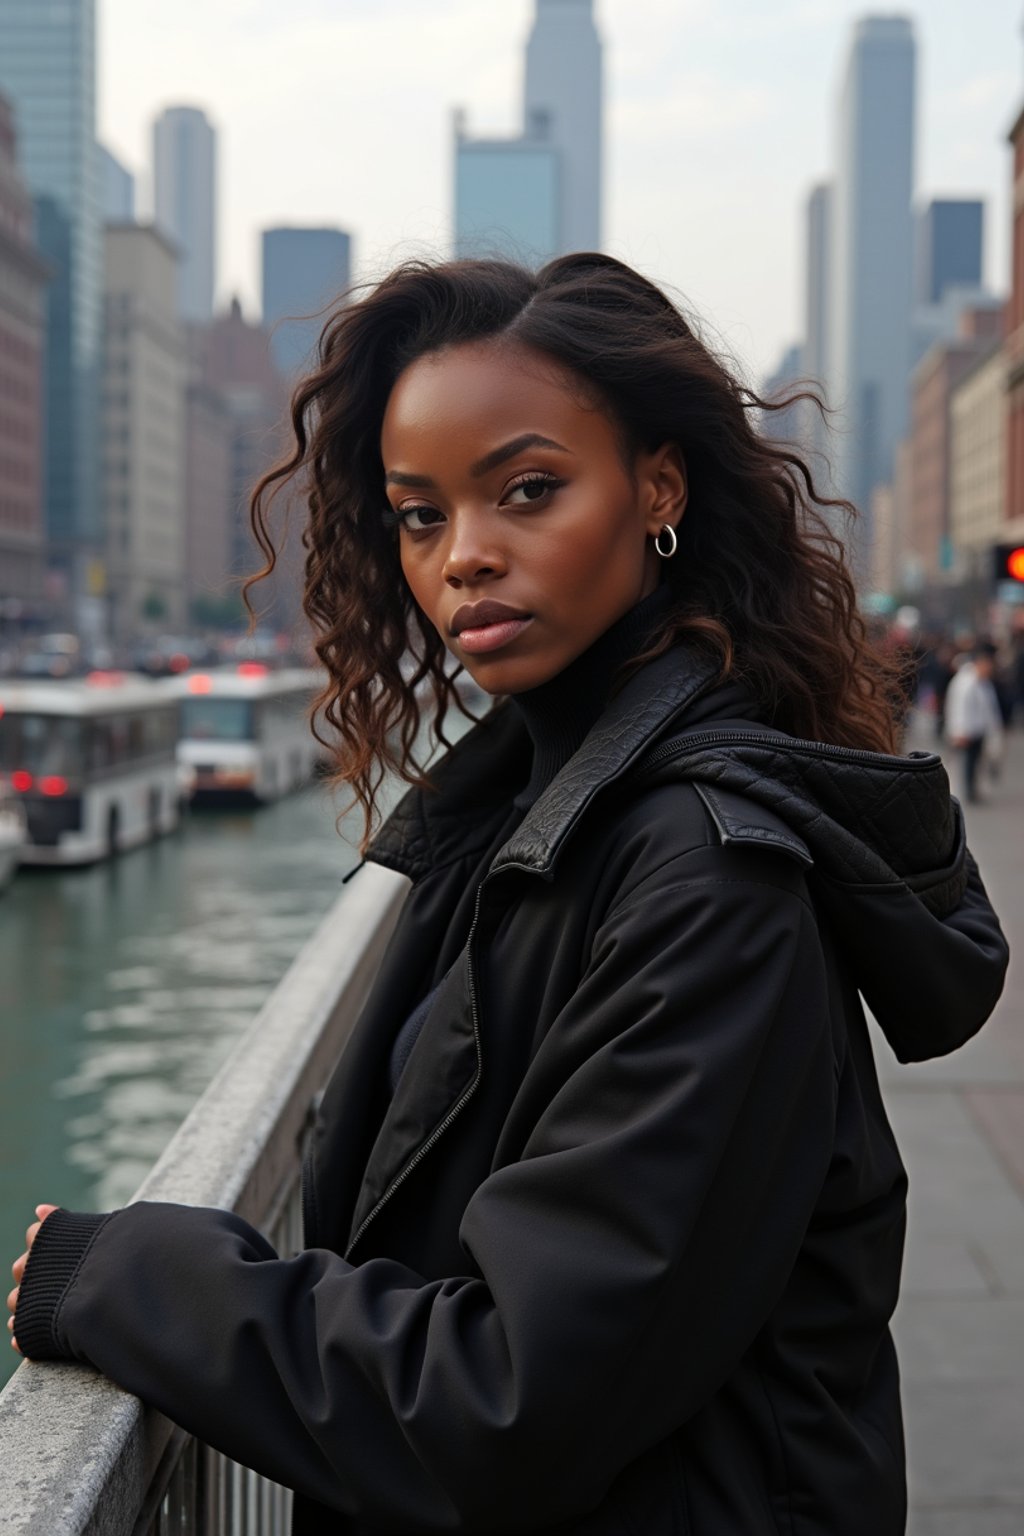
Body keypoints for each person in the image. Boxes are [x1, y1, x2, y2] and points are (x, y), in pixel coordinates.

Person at [8, 255, 1009, 1536]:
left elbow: (509, 1401)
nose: (464, 558)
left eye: (527, 491)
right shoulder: (536, 813)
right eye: (418, 515)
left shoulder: (710, 881)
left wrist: (143, 1276)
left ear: (657, 488)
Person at [945, 640, 1005, 804]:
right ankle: (965, 792)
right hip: (967, 731)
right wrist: (960, 730)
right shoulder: (966, 682)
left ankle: (972, 789)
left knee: (975, 762)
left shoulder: (982, 682)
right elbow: (959, 707)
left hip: (978, 730)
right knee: (965, 764)